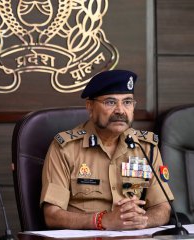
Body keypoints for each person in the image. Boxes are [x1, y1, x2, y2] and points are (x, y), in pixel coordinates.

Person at [40, 69, 173, 230]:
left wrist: (143, 220)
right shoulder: (65, 148)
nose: (120, 110)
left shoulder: (145, 147)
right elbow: (52, 215)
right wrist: (102, 221)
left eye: (127, 102)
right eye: (110, 102)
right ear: (90, 107)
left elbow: (163, 208)